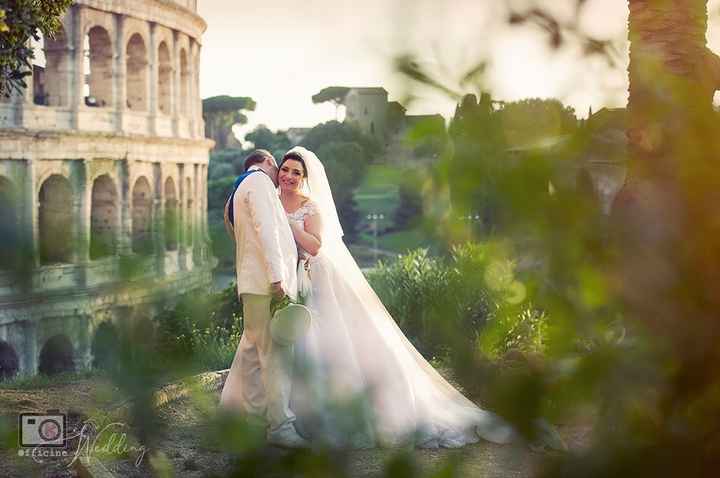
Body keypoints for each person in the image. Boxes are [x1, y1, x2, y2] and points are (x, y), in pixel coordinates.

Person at [276, 147, 517, 449]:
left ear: (304, 178)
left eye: (296, 172)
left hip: (317, 277)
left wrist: (291, 225)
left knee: (328, 339)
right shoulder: (270, 198)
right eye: (285, 169)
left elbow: (314, 245)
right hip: (289, 279)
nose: (288, 176)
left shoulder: (310, 208)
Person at [219, 149, 308, 448]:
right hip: (266, 284)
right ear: (268, 163)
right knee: (277, 355)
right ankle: (280, 426)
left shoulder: (236, 191)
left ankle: (254, 420)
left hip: (250, 284)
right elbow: (267, 231)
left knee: (254, 354)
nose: (280, 177)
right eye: (278, 168)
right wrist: (277, 278)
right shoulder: (258, 183)